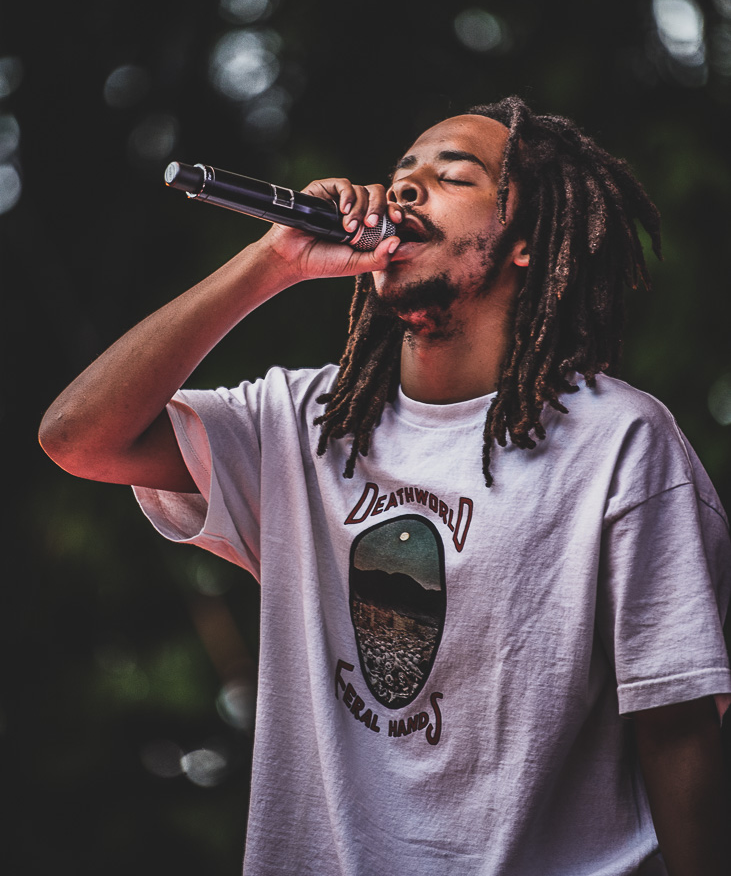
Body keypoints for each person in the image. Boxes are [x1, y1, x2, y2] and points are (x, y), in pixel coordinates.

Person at [40, 96, 731, 876]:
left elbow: (675, 726)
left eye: (451, 176)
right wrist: (272, 263)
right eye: (399, 175)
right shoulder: (299, 421)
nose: (403, 191)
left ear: (527, 242)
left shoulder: (619, 442)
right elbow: (77, 437)